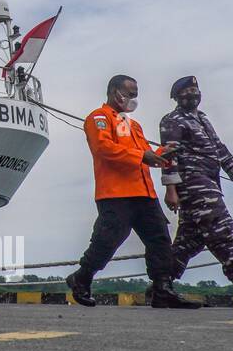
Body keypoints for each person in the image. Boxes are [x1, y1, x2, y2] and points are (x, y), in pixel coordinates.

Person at [66, 75, 200, 309]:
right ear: (114, 91)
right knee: (108, 239)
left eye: (135, 94)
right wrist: (143, 156)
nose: (132, 98)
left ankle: (162, 289)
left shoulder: (133, 125)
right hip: (116, 193)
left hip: (144, 193)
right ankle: (82, 277)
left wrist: (162, 152)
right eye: (129, 93)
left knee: (159, 239)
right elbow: (103, 148)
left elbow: (145, 155)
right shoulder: (99, 118)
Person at [158, 76, 233, 310]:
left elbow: (220, 149)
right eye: (187, 91)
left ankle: (160, 287)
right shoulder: (172, 120)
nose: (193, 94)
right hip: (195, 186)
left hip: (210, 182)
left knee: (189, 241)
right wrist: (171, 189)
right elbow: (168, 155)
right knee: (224, 234)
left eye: (195, 89)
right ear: (176, 97)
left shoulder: (203, 119)